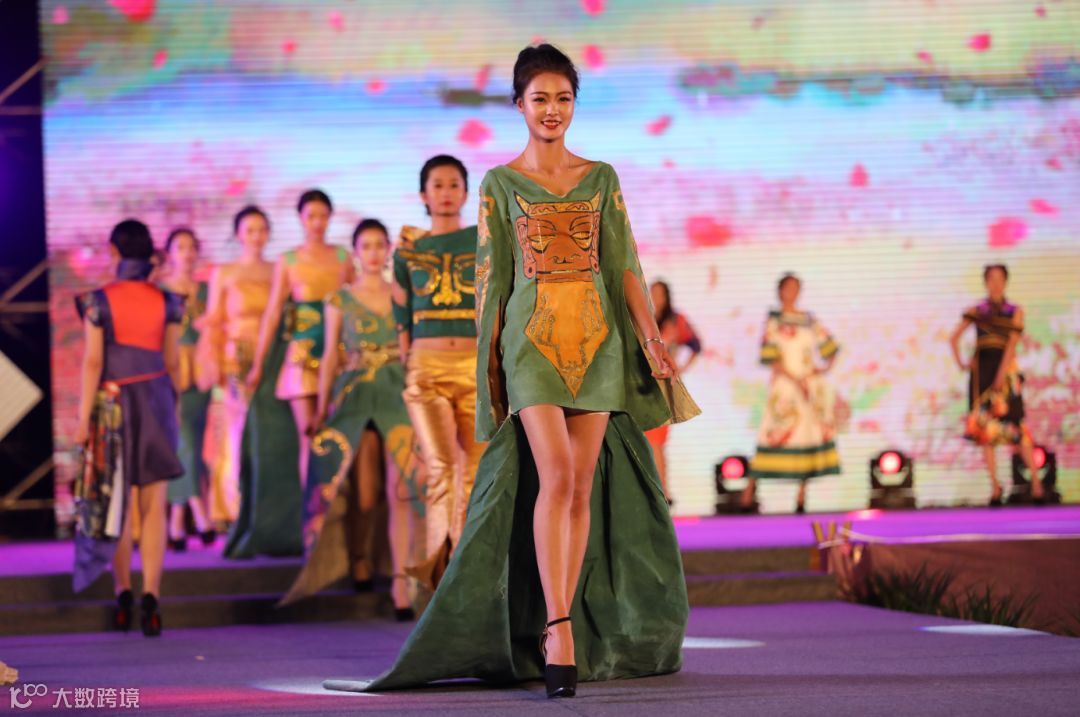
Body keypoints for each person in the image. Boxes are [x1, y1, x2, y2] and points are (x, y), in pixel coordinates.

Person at [327, 43, 699, 700]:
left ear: (574, 104)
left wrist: (649, 337)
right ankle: (558, 629)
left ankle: (564, 617)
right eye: (540, 99)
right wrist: (491, 365)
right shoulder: (499, 184)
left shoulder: (601, 177)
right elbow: (493, 282)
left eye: (563, 98)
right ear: (519, 105)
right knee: (554, 476)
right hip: (528, 348)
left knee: (579, 486)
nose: (552, 110)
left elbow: (625, 266)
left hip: (599, 344)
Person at [281, 219, 424, 619]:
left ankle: (400, 583)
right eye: (367, 246)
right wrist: (321, 408)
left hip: (396, 393)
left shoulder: (403, 294)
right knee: (364, 493)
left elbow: (413, 350)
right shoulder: (338, 300)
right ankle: (359, 557)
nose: (374, 253)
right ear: (356, 252)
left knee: (401, 489)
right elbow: (329, 357)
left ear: (389, 249)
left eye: (380, 245)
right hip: (356, 395)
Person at [73, 219, 185, 636]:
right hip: (156, 402)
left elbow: (92, 362)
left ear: (114, 252)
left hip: (113, 406)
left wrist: (82, 419)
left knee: (115, 503)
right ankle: (152, 597)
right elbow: (172, 363)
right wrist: (173, 408)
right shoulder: (169, 301)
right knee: (154, 504)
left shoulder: (97, 301)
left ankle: (123, 593)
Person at [228, 191, 352, 558]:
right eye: (310, 216)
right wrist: (258, 364)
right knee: (308, 440)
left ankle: (339, 525)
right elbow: (272, 314)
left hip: (338, 356)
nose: (317, 223)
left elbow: (355, 304)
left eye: (322, 216)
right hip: (301, 359)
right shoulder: (289, 260)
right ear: (301, 218)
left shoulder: (343, 257)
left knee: (339, 440)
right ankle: (310, 525)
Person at [392, 155, 485, 582]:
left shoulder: (484, 241)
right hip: (426, 367)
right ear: (423, 195)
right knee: (442, 466)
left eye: (453, 185)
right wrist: (408, 366)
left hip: (474, 365)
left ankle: (471, 570)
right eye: (437, 185)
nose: (446, 193)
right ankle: (442, 575)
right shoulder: (408, 251)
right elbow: (402, 318)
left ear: (465, 193)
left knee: (478, 471)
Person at [199, 206, 274, 529]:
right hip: (236, 359)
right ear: (238, 235)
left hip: (271, 358)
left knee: (268, 433)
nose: (256, 236)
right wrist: (215, 364)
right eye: (249, 230)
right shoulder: (225, 272)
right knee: (235, 434)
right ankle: (232, 508)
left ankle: (266, 509)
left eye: (261, 229)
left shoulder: (277, 270)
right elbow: (213, 321)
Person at [742, 274, 841, 514]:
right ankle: (750, 489)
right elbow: (770, 357)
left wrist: (821, 370)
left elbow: (830, 347)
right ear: (780, 291)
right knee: (772, 432)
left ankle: (801, 496)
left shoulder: (809, 320)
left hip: (808, 384)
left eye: (796, 287)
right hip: (786, 384)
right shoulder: (774, 320)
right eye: (788, 287)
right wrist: (795, 379)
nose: (792, 292)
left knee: (808, 435)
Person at [949, 264, 1045, 505]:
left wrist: (1001, 374)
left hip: (1005, 371)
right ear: (985, 282)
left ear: (1006, 281)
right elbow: (953, 338)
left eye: (999, 279)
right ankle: (995, 487)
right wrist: (963, 363)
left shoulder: (1015, 311)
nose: (995, 283)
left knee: (1017, 427)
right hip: (982, 372)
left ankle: (1036, 484)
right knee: (985, 432)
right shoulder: (977, 310)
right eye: (991, 279)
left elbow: (1011, 344)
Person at [158, 228, 215, 550]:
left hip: (201, 374)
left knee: (191, 443)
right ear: (169, 253)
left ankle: (177, 521)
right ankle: (198, 510)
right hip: (170, 372)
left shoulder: (207, 290)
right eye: (180, 247)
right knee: (185, 444)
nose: (187, 253)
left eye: (192, 247)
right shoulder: (160, 292)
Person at [643, 280, 702, 502]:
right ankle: (653, 491)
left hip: (663, 384)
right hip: (643, 382)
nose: (656, 297)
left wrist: (682, 367)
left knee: (657, 440)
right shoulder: (644, 317)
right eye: (653, 292)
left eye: (660, 293)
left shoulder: (676, 320)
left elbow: (696, 345)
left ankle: (663, 492)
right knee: (645, 439)